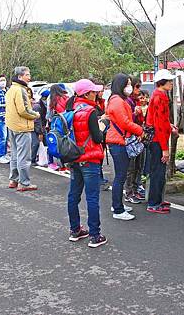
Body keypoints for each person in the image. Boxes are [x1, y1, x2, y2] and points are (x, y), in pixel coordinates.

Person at [67, 79, 107, 248]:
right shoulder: (90, 111)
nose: (95, 94)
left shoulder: (70, 109)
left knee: (73, 196)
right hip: (90, 159)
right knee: (92, 197)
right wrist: (103, 125)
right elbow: (97, 137)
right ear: (86, 94)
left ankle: (75, 230)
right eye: (93, 92)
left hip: (74, 158)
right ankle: (95, 235)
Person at [106, 73, 144, 221]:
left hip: (118, 140)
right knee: (120, 176)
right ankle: (118, 209)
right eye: (127, 84)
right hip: (118, 142)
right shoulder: (117, 101)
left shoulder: (117, 100)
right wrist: (140, 130)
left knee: (120, 176)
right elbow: (125, 122)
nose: (129, 87)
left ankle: (117, 204)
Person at [146, 69, 178, 214]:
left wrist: (169, 126)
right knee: (158, 172)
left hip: (159, 138)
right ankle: (154, 202)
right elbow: (158, 123)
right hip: (158, 140)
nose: (171, 83)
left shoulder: (159, 95)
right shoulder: (160, 97)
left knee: (158, 171)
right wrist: (165, 148)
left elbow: (161, 120)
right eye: (169, 81)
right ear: (162, 82)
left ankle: (157, 200)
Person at [5, 66, 40, 191]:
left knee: (15, 154)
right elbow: (23, 110)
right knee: (24, 156)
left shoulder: (11, 89)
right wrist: (35, 115)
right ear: (20, 77)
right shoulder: (20, 90)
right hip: (22, 126)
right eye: (27, 75)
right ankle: (24, 182)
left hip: (12, 125)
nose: (29, 77)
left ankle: (13, 179)